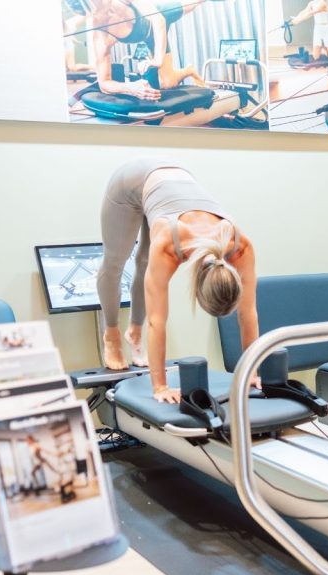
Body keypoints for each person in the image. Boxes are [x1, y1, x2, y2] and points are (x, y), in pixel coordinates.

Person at [97, 159, 259, 403]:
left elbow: (248, 314)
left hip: (176, 181)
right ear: (196, 287)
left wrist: (252, 373)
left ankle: (133, 332)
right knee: (115, 262)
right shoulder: (170, 245)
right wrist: (160, 386)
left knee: (145, 263)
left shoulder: (241, 246)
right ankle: (112, 335)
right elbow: (157, 321)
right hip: (130, 183)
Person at [84, 0, 207, 101]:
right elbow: (104, 83)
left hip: (162, 13)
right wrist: (131, 88)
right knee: (168, 83)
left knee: (195, 2)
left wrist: (158, 60)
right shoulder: (100, 35)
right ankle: (189, 70)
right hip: (152, 38)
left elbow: (158, 18)